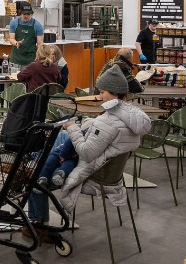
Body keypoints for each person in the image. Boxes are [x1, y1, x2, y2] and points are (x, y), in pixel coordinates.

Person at [45, 68, 151, 216]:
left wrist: (72, 127)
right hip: (111, 172)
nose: (99, 96)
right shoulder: (132, 117)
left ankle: (38, 214)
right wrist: (89, 124)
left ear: (113, 92)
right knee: (61, 138)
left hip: (93, 174)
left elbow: (87, 153)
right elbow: (107, 133)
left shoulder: (107, 121)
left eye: (102, 92)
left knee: (49, 146)